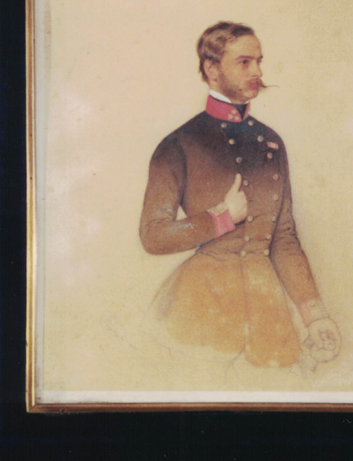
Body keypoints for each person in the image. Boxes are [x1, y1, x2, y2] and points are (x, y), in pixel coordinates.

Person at [139, 22, 341, 369]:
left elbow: (284, 237)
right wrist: (220, 218)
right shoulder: (179, 144)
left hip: (267, 306)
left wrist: (314, 315)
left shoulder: (271, 142)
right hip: (203, 302)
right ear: (212, 69)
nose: (258, 72)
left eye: (259, 61)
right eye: (244, 62)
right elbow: (152, 236)